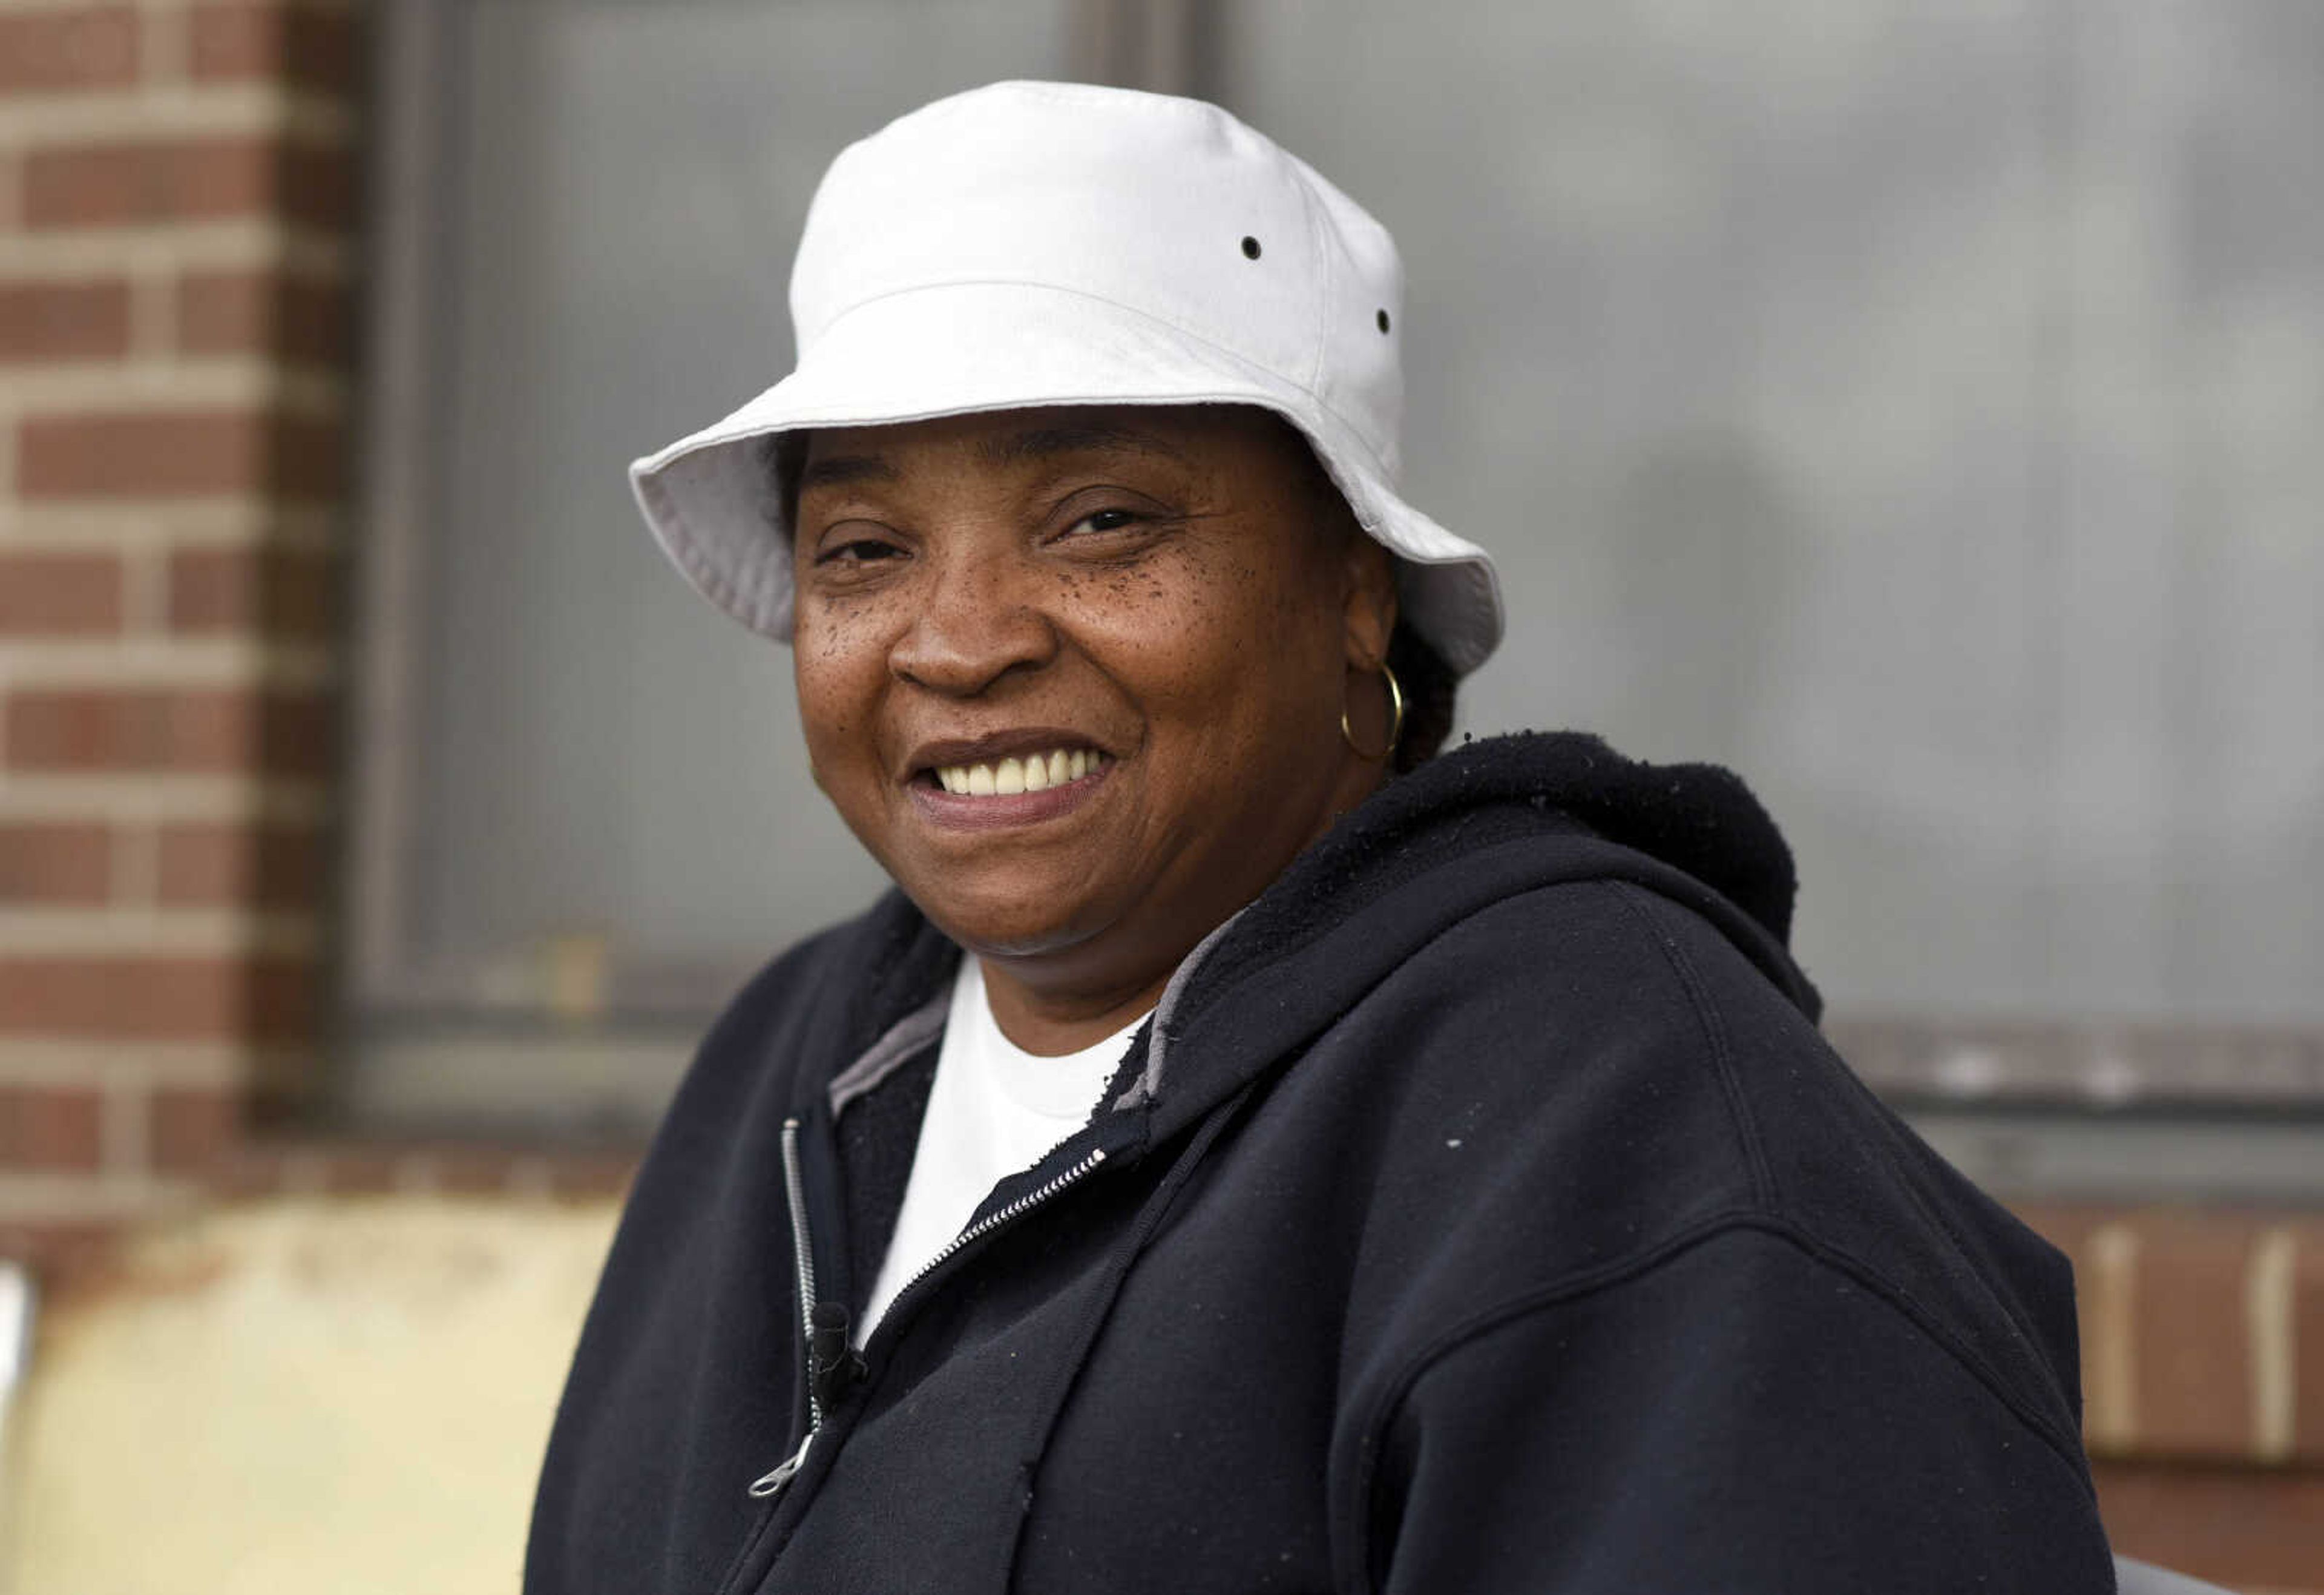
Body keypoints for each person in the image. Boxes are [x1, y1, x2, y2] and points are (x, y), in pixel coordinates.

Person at [526, 81, 2115, 1593]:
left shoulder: (1632, 1120)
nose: (958, 640)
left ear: (1357, 592)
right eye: (864, 547)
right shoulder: (791, 1068)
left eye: (1100, 522)